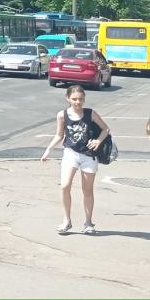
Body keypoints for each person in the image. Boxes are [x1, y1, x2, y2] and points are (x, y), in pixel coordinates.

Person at [41, 84, 111, 234]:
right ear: (67, 98)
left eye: (80, 99)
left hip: (88, 155)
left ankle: (88, 223)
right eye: (74, 99)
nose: (78, 102)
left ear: (84, 99)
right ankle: (66, 221)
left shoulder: (90, 114)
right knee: (65, 186)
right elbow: (59, 135)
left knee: (87, 190)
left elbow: (106, 129)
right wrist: (48, 150)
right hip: (70, 153)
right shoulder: (62, 115)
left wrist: (98, 141)